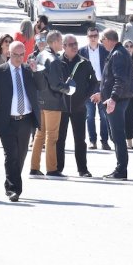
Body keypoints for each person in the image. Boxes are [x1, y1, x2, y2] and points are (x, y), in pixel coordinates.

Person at [0, 41, 40, 202]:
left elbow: (41, 88)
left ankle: (12, 181)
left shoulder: (29, 71)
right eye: (15, 55)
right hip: (5, 121)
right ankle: (13, 189)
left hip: (25, 120)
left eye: (21, 55)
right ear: (9, 53)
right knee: (11, 154)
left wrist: (36, 72)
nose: (18, 58)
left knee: (21, 155)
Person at [29, 31, 71, 177]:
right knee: (51, 136)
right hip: (53, 102)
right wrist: (68, 88)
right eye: (61, 42)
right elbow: (55, 84)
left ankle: (34, 167)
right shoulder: (53, 59)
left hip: (40, 100)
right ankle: (52, 169)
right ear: (54, 42)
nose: (63, 44)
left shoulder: (40, 55)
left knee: (39, 135)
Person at [57, 34, 98, 178]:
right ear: (64, 47)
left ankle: (82, 169)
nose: (74, 46)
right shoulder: (57, 62)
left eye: (75, 44)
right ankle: (57, 168)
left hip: (79, 107)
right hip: (60, 107)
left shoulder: (84, 62)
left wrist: (84, 97)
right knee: (59, 138)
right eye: (71, 44)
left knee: (80, 140)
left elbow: (94, 82)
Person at [99, 28, 133, 180]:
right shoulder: (118, 52)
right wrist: (101, 94)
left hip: (118, 100)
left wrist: (113, 98)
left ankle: (121, 170)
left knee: (118, 136)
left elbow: (120, 80)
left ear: (108, 39)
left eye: (102, 40)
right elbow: (111, 80)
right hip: (116, 99)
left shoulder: (118, 53)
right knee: (116, 135)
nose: (102, 44)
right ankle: (120, 168)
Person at [79, 28, 111, 150]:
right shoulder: (82, 51)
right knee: (90, 115)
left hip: (102, 85)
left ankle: (104, 141)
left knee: (104, 115)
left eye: (95, 35)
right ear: (87, 37)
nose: (93, 38)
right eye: (91, 36)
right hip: (88, 86)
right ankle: (93, 141)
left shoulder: (105, 50)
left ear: (98, 37)